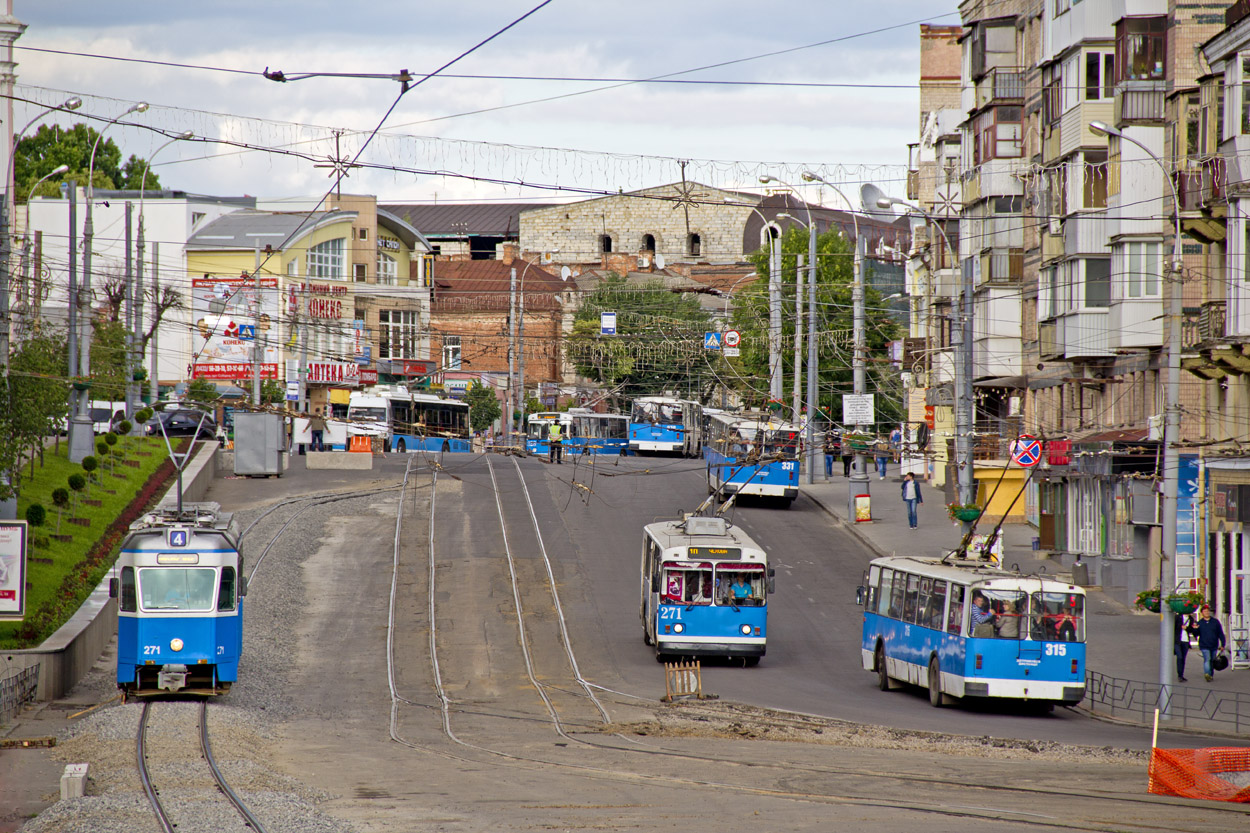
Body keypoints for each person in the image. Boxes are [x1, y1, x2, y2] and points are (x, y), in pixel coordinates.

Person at [1194, 604, 1227, 682]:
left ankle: (1211, 675)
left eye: (1207, 611)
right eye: (1205, 611)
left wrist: (1223, 644)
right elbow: (1196, 634)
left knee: (1212, 660)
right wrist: (1195, 629)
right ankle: (1207, 674)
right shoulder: (1200, 623)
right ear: (1202, 613)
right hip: (1204, 645)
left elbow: (1220, 633)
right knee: (1207, 659)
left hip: (1213, 645)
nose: (1206, 613)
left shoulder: (1215, 622)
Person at [1174, 610, 1196, 682]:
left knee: (1183, 659)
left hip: (1185, 641)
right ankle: (1179, 675)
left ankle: (1181, 675)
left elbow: (1191, 630)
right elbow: (1174, 628)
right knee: (1179, 657)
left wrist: (1186, 628)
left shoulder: (1191, 619)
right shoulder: (1178, 617)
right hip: (1177, 641)